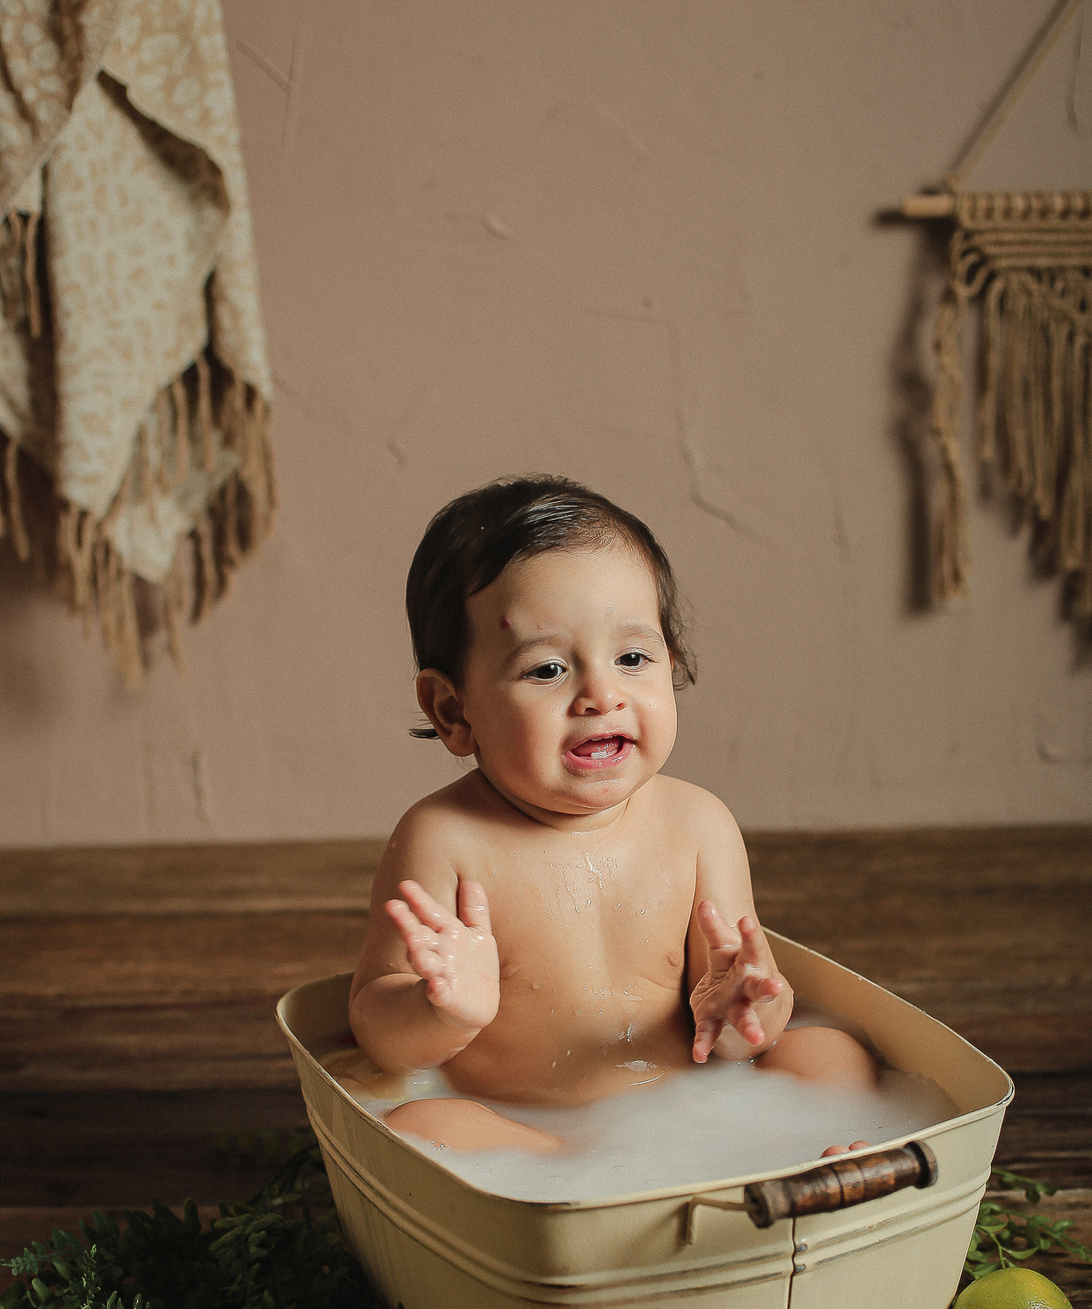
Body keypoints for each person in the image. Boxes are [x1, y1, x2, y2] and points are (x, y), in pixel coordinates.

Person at [348, 476, 876, 1156]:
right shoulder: (445, 839)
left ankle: (817, 1161)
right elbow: (378, 1031)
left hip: (701, 1107)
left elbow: (741, 1015)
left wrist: (748, 1008)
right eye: (546, 670)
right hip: (531, 1129)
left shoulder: (698, 825)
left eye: (631, 658)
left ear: (670, 665)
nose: (602, 695)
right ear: (454, 711)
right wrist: (439, 1009)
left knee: (829, 1051)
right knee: (421, 1128)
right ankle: (566, 1187)